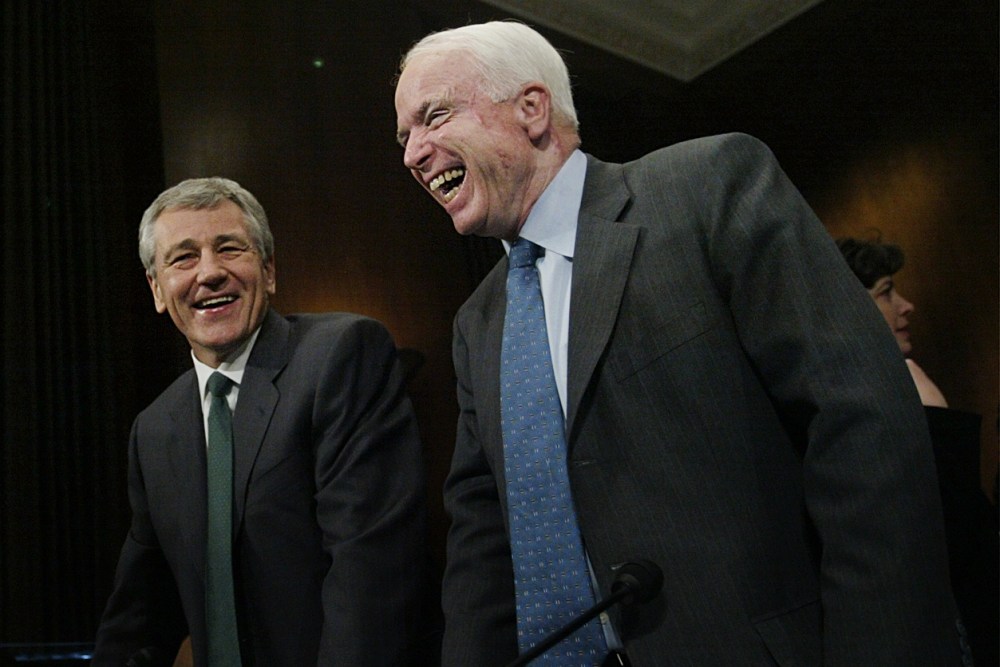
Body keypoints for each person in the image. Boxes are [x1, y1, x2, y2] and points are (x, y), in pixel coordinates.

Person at [394, 21, 967, 666]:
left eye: (434, 116)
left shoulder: (707, 188)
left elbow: (864, 431)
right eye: (405, 135)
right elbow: (483, 537)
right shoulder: (478, 321)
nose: (414, 152)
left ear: (532, 108)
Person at [93, 178, 434, 665]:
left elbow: (369, 574)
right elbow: (139, 613)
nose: (209, 273)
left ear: (268, 270)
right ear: (157, 290)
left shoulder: (340, 356)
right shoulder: (154, 430)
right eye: (183, 258)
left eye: (229, 248)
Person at [838, 236, 999, 667]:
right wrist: (933, 415)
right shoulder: (867, 402)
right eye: (886, 292)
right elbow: (958, 531)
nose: (905, 305)